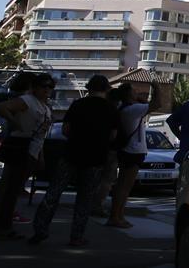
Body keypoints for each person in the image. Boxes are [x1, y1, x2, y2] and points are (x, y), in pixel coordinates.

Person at [30, 74, 117, 246]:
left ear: (89, 88)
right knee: (85, 198)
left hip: (71, 154)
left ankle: (40, 229)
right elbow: (113, 135)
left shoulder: (78, 104)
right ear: (106, 89)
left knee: (54, 193)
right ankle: (76, 236)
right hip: (95, 158)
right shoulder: (111, 109)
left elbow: (66, 130)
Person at [0, 72, 54, 240]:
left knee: (16, 189)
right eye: (44, 86)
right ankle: (3, 226)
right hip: (20, 146)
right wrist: (15, 122)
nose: (47, 89)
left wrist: (40, 156)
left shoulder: (45, 106)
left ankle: (5, 223)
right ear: (34, 87)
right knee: (12, 189)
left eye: (50, 86)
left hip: (32, 149)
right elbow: (1, 107)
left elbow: (41, 135)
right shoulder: (27, 100)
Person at [107, 82, 161, 228]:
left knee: (122, 185)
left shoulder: (125, 108)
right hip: (133, 151)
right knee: (125, 186)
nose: (137, 91)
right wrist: (156, 87)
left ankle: (118, 215)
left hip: (127, 150)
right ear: (128, 94)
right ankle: (116, 216)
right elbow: (157, 104)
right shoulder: (133, 109)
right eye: (134, 90)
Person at [91, 86, 124, 217]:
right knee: (107, 180)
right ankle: (97, 205)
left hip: (96, 148)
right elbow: (113, 134)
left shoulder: (98, 110)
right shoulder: (115, 112)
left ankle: (89, 203)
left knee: (94, 178)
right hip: (110, 149)